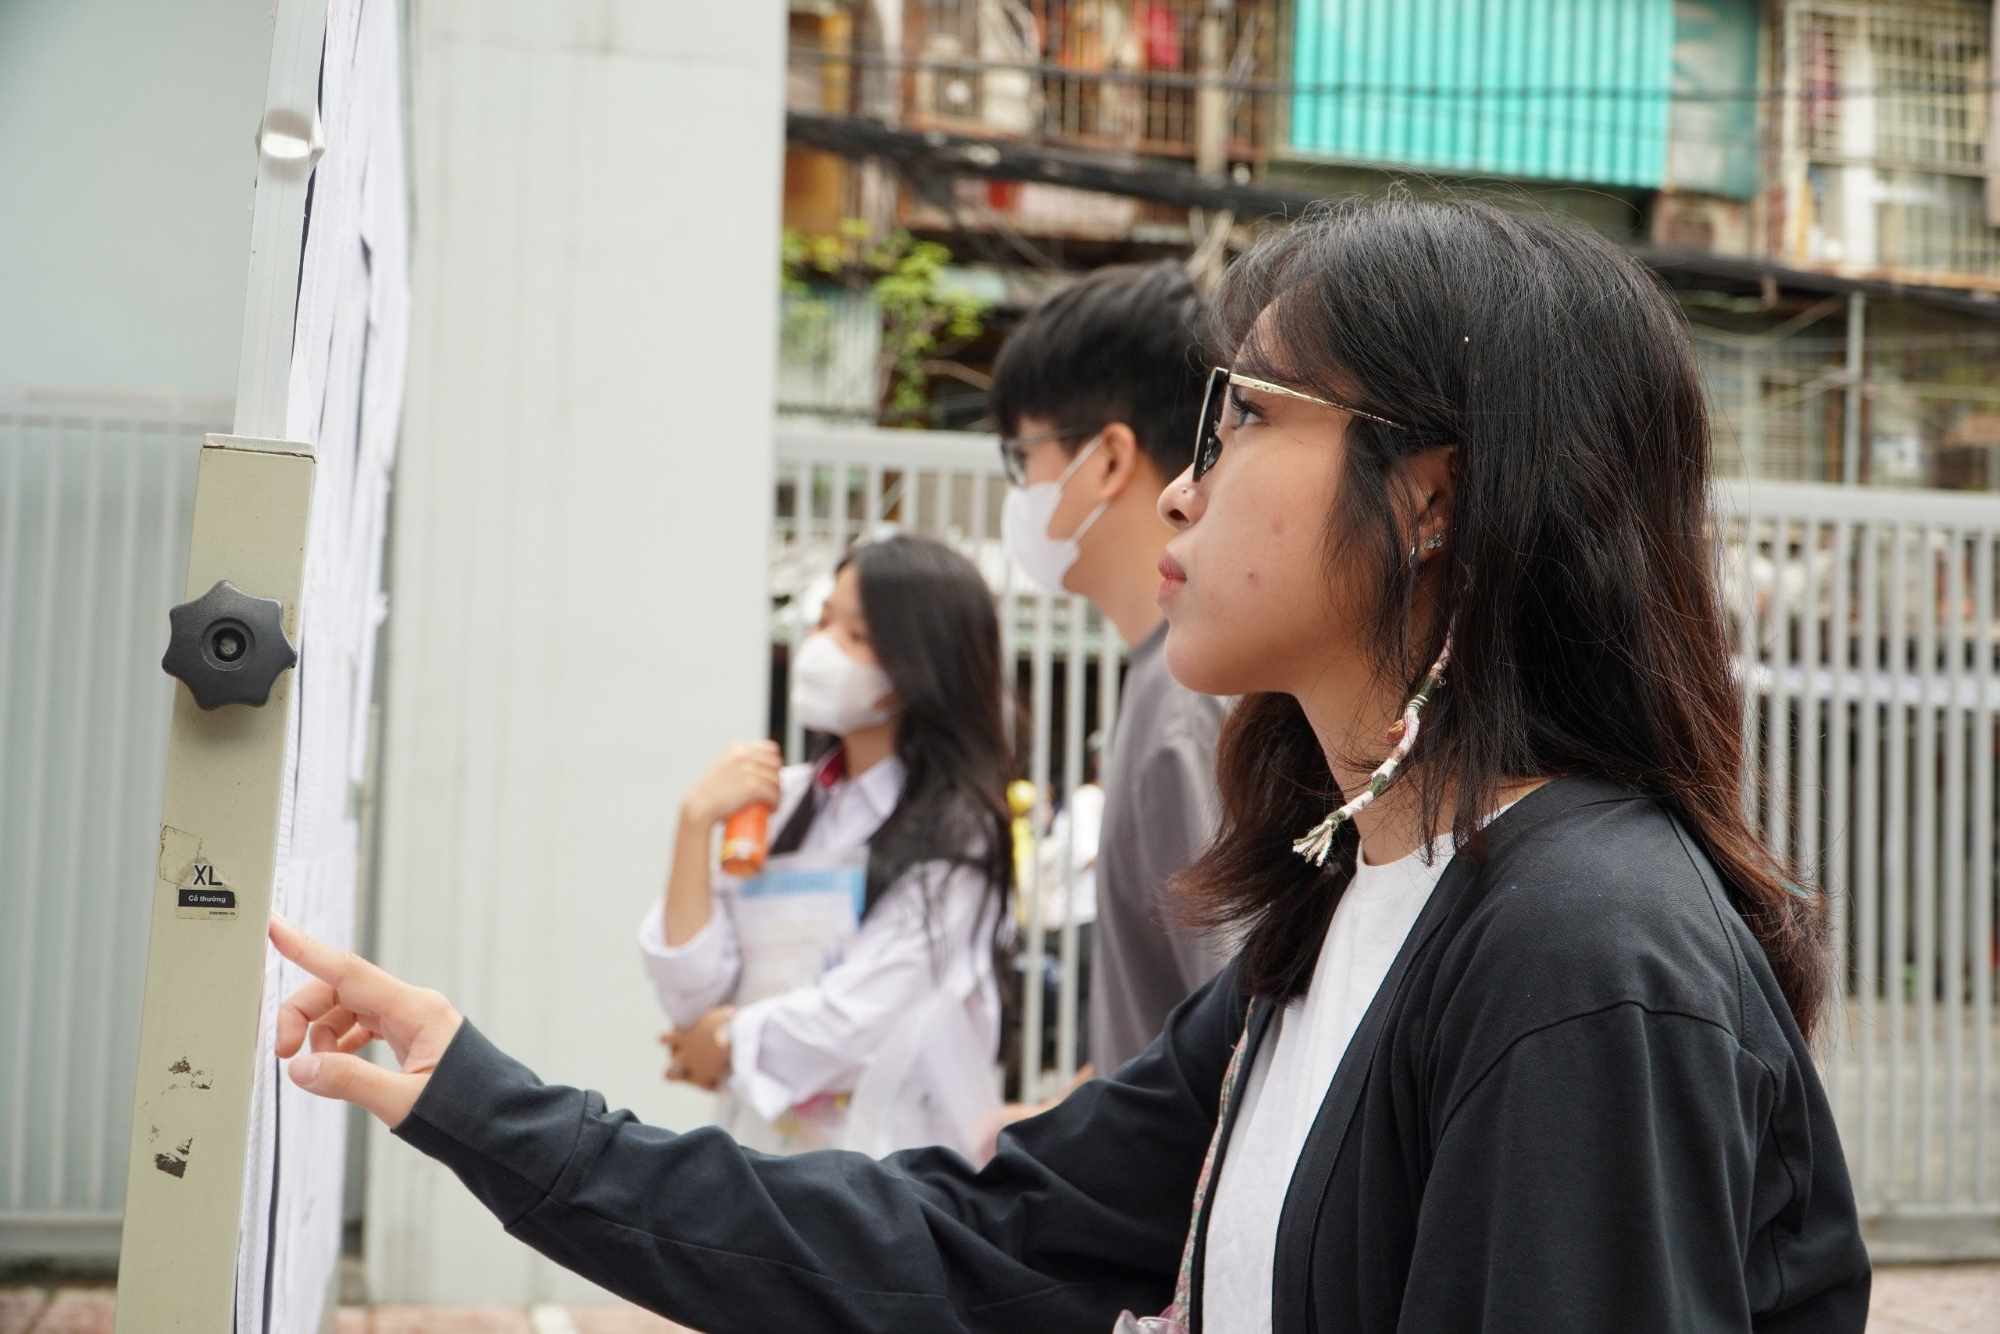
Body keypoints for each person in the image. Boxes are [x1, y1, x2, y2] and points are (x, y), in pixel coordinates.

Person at [270, 197, 1871, 1333]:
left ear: (1433, 496)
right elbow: (969, 1241)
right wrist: (485, 1101)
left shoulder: (1580, 948)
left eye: (1241, 414)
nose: (1182, 489)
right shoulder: (1343, 896)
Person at [642, 533, 1015, 1158]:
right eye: (822, 622)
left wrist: (729, 1044)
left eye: (857, 637)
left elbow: (867, 1019)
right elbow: (694, 995)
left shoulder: (958, 831)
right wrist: (693, 824)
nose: (821, 649)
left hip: (891, 1172)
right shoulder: (779, 805)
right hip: (761, 1158)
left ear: (917, 665)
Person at [991, 260, 1229, 1084]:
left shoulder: (1185, 698)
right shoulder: (1166, 678)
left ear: (1107, 459)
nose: (1020, 489)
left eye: (1023, 455)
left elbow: (1233, 1045)